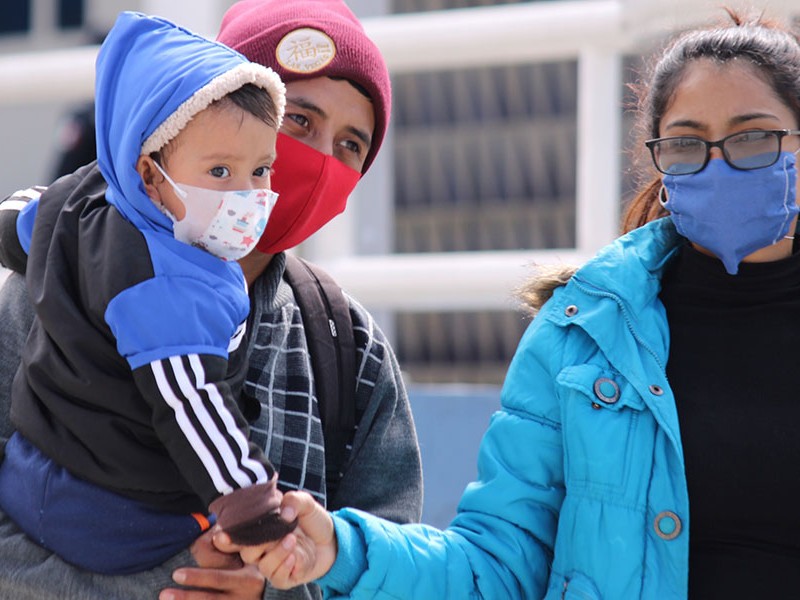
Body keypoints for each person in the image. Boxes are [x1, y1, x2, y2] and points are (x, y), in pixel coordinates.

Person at [220, 10, 800, 600]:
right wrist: (342, 551)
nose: (718, 162)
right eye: (686, 144)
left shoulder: (350, 342)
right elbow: (495, 567)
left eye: (753, 137)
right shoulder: (581, 332)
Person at [0, 0, 422, 598]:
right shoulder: (62, 282)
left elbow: (396, 562)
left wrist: (275, 589)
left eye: (352, 145)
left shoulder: (349, 347)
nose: (323, 161)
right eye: (298, 122)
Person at [0, 9, 298, 575]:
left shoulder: (85, 194)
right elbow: (192, 404)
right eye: (219, 172)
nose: (247, 194)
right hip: (114, 520)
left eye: (261, 170)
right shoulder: (172, 287)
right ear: (150, 172)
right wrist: (256, 509)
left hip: (32, 466)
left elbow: (21, 224)